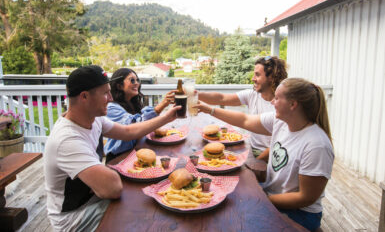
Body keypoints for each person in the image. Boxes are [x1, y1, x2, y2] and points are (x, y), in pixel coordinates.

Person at [44, 65, 180, 232]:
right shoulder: (67, 140)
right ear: (84, 96)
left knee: (148, 199)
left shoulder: (94, 119)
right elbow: (112, 188)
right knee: (144, 213)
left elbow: (128, 131)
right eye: (104, 93)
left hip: (95, 199)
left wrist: (166, 118)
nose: (110, 98)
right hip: (75, 217)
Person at [195, 78, 334, 231]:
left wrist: (263, 199)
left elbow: (306, 197)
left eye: (278, 98)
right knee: (225, 197)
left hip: (300, 213)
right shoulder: (281, 122)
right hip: (271, 193)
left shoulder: (316, 145)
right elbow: (245, 119)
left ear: (293, 105)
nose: (273, 102)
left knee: (235, 219)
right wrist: (209, 110)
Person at [197, 56, 287, 157]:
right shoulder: (252, 95)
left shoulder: (282, 106)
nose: (253, 79)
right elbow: (221, 98)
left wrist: (256, 161)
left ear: (271, 77)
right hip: (251, 149)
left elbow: (281, 144)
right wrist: (195, 94)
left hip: (271, 156)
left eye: (257, 75)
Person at [104, 68, 176, 162]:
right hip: (118, 157)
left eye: (137, 80)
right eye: (132, 80)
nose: (136, 83)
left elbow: (145, 125)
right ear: (119, 86)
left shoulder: (133, 104)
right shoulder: (111, 108)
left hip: (135, 153)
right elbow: (134, 126)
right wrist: (161, 106)